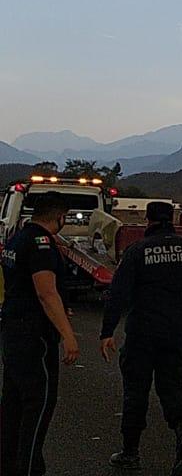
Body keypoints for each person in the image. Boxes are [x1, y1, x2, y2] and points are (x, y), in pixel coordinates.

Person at [99, 201, 182, 476]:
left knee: (136, 390)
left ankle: (130, 453)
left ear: (148, 220)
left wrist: (107, 331)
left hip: (143, 333)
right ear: (172, 219)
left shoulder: (137, 251)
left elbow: (118, 294)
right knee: (172, 386)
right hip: (177, 333)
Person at [1, 192, 79, 476]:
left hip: (12, 332)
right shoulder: (41, 244)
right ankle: (30, 468)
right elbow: (46, 292)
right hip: (34, 337)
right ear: (59, 217)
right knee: (38, 404)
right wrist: (68, 335)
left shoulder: (16, 238)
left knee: (12, 407)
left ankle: (9, 465)